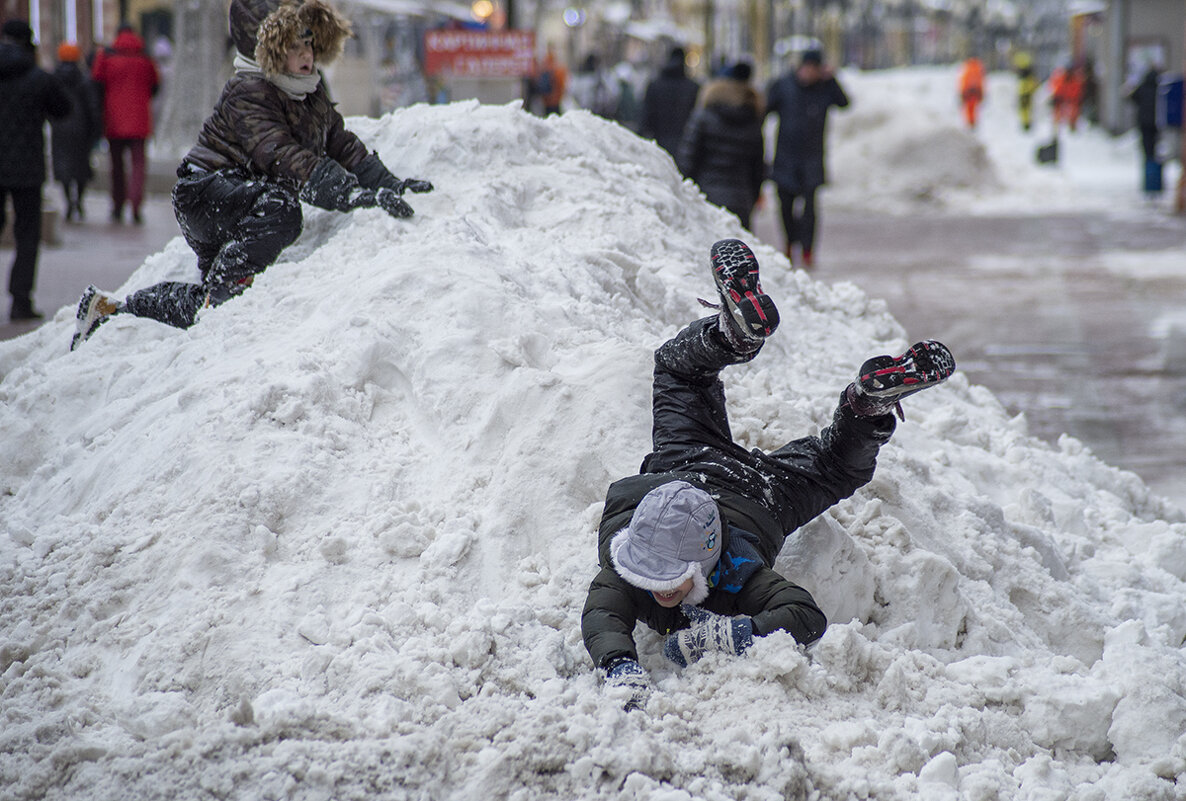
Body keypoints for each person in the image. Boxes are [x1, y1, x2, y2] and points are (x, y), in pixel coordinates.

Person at [581, 239, 955, 709]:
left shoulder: (736, 570)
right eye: (650, 574)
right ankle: (857, 403)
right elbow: (602, 614)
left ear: (706, 562)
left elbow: (804, 615)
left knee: (834, 467)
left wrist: (726, 634)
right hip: (685, 464)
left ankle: (737, 339)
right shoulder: (629, 563)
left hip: (756, 499)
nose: (657, 590)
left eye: (671, 578)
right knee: (678, 375)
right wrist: (620, 665)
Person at [69, 0, 433, 350]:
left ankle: (113, 311)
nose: (307, 56)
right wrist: (348, 193)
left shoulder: (309, 89)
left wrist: (387, 182)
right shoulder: (250, 90)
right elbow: (280, 154)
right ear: (273, 53)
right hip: (206, 192)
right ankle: (221, 295)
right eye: (296, 48)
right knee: (282, 211)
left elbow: (340, 142)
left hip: (241, 197)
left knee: (213, 300)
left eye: (309, 46)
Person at [0, 18, 70, 321]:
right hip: (27, 165)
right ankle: (20, 299)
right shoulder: (37, 76)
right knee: (27, 234)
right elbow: (63, 109)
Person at [765, 49, 849, 268]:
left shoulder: (825, 88)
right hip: (785, 157)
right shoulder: (783, 85)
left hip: (812, 158)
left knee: (810, 209)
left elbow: (844, 103)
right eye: (807, 67)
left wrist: (832, 80)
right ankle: (789, 243)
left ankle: (808, 249)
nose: (809, 72)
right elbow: (764, 109)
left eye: (814, 68)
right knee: (785, 206)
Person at [676, 62, 765, 229]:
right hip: (741, 197)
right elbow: (758, 166)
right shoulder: (752, 119)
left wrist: (684, 190)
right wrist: (754, 195)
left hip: (706, 194)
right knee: (739, 249)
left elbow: (688, 157)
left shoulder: (703, 116)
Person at [91, 24, 159, 224]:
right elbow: (155, 85)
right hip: (139, 120)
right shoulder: (145, 58)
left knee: (117, 166)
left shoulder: (107, 57)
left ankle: (117, 205)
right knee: (138, 164)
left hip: (114, 120)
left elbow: (96, 83)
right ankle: (136, 205)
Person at [51, 42, 103, 222]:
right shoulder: (84, 79)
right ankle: (78, 201)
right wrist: (96, 129)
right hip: (81, 129)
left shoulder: (54, 78)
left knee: (63, 167)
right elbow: (93, 106)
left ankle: (68, 201)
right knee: (81, 167)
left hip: (60, 127)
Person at [641, 47, 700, 160]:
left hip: (659, 145)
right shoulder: (693, 88)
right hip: (685, 147)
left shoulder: (655, 85)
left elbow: (646, 118)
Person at [1049, 63, 1084, 133]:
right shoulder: (1062, 79)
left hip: (1072, 100)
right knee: (1057, 113)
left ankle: (1072, 126)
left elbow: (1076, 92)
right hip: (1061, 98)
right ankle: (1056, 128)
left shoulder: (1075, 81)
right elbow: (1058, 89)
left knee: (1074, 111)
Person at [958, 56, 985, 129]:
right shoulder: (979, 68)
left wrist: (963, 92)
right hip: (975, 92)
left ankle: (970, 122)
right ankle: (972, 122)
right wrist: (981, 92)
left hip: (969, 92)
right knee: (974, 108)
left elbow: (964, 81)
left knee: (970, 108)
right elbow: (981, 81)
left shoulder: (966, 68)